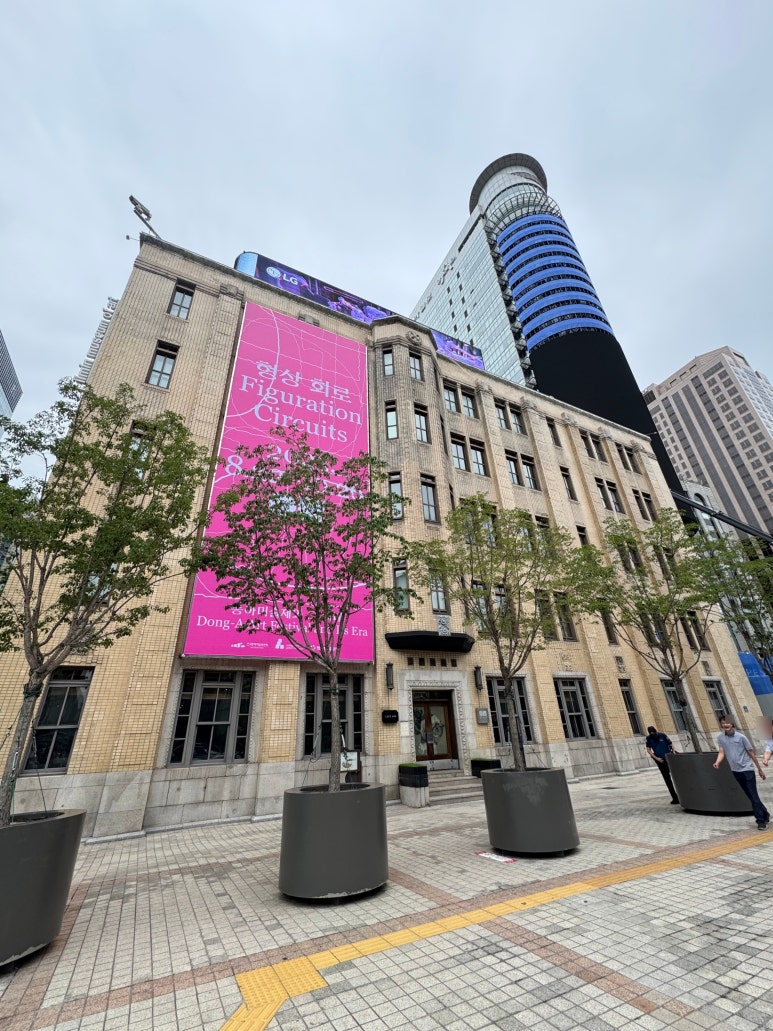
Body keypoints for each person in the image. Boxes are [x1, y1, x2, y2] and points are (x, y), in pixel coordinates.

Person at [713, 717, 770, 829]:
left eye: (728, 723)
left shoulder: (741, 737)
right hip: (736, 771)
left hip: (747, 770)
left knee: (753, 795)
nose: (725, 725)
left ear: (732, 724)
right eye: (723, 723)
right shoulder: (720, 738)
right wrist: (717, 762)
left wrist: (759, 769)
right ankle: (765, 813)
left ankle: (760, 821)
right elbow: (721, 752)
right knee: (750, 796)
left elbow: (751, 753)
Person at [645, 726, 680, 804]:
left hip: (668, 758)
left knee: (676, 776)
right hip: (660, 760)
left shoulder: (662, 735)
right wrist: (656, 758)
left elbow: (671, 744)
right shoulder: (649, 738)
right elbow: (648, 750)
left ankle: (681, 795)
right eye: (651, 733)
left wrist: (673, 752)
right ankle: (675, 798)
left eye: (653, 732)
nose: (652, 734)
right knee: (667, 779)